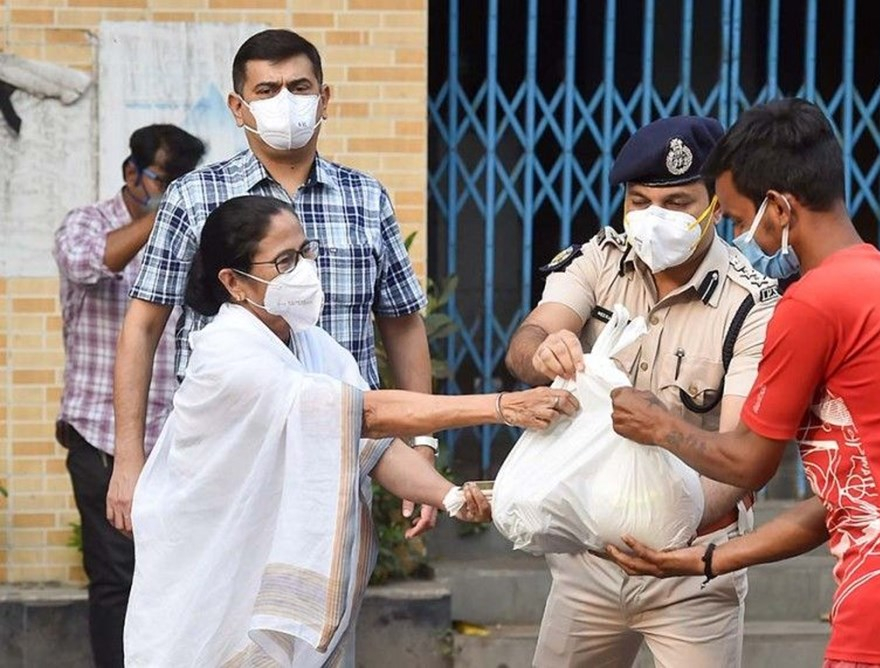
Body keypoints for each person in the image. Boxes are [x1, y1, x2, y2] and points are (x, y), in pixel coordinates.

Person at [605, 98, 880, 667]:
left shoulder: (815, 302)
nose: (744, 239)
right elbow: (846, 498)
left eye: (740, 222)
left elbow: (748, 464)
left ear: (780, 209)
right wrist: (706, 559)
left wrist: (660, 425)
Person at [123, 195, 578, 666]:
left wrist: (450, 497)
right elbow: (367, 414)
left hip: (258, 567)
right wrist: (502, 406)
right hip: (212, 569)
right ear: (234, 282)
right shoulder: (227, 355)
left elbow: (372, 445)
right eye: (284, 261)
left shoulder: (312, 344)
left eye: (305, 252)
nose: (303, 269)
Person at [108, 29, 438, 538]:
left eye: (299, 87)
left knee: (327, 608)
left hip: (341, 453)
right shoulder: (194, 197)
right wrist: (128, 459)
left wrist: (422, 449)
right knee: (218, 608)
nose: (286, 101)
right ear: (238, 107)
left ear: (324, 98)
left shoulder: (366, 198)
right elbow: (142, 327)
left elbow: (402, 323)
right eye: (267, 90)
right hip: (226, 454)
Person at [504, 116, 778, 667]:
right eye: (640, 201)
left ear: (716, 206)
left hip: (693, 564)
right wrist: (542, 349)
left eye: (677, 203)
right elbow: (526, 342)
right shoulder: (598, 262)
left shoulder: (752, 304)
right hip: (590, 560)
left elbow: (742, 457)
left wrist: (667, 528)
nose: (656, 219)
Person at [52, 124, 205, 668]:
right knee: (116, 580)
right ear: (131, 173)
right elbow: (86, 261)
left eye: (184, 183)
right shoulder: (87, 223)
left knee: (175, 575)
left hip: (176, 441)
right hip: (100, 440)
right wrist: (158, 217)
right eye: (165, 179)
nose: (174, 192)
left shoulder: (190, 236)